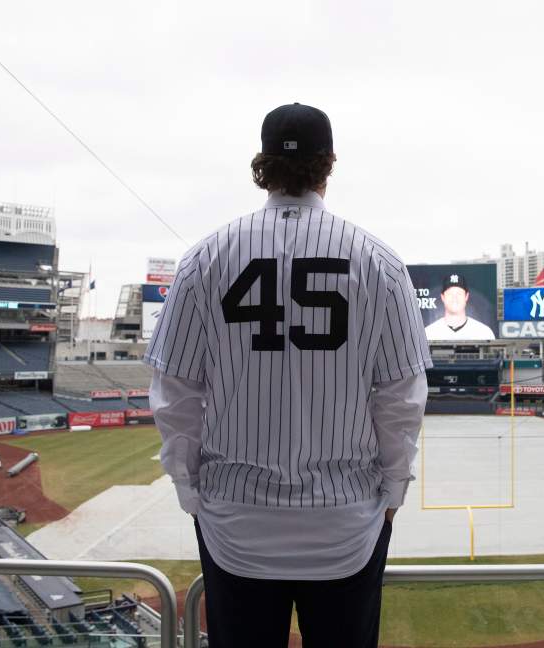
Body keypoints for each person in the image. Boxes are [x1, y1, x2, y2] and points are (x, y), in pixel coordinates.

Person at [145, 103, 431, 648]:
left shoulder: (204, 258)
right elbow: (401, 397)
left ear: (262, 166)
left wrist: (189, 489)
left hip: (235, 523)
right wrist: (393, 488)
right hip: (346, 523)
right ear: (329, 164)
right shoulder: (380, 262)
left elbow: (176, 392)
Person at [423, 273, 496, 341]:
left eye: (459, 294)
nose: (455, 298)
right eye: (450, 294)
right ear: (443, 297)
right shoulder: (429, 333)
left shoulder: (483, 333)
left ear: (466, 297)